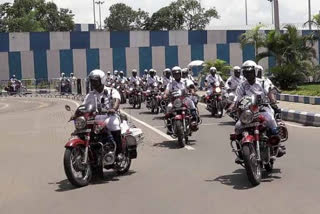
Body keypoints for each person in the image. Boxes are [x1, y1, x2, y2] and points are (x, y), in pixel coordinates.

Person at [229, 60, 285, 157]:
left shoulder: (263, 82)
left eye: (250, 71)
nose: (248, 74)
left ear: (255, 71)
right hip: (248, 112)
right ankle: (240, 151)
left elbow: (269, 91)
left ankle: (277, 146)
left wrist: (272, 99)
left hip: (263, 108)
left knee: (271, 120)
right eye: (246, 72)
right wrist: (232, 106)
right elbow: (237, 98)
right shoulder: (242, 85)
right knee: (238, 127)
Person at [83, 69, 123, 157]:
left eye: (95, 81)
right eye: (92, 81)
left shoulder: (111, 91)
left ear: (102, 80)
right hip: (95, 117)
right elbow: (83, 106)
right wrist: (75, 114)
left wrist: (113, 108)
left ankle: (119, 152)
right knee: (83, 128)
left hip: (109, 116)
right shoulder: (90, 95)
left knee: (114, 124)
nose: (93, 83)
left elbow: (117, 100)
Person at [164, 66, 199, 133]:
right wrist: (165, 94)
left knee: (191, 104)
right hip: (175, 100)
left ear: (180, 73)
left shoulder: (185, 81)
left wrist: (192, 90)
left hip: (185, 98)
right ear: (173, 75)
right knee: (169, 107)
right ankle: (169, 125)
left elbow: (191, 86)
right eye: (175, 74)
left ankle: (194, 121)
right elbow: (167, 90)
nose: (176, 75)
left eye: (178, 73)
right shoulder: (171, 83)